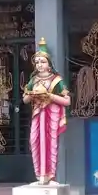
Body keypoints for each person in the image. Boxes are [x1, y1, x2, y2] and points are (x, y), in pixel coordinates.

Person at [22, 38, 71, 185]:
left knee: (50, 143)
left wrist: (50, 96)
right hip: (38, 115)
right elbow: (24, 99)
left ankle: (50, 175)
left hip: (52, 116)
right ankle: (39, 175)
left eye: (42, 62)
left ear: (49, 64)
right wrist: (31, 96)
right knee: (35, 141)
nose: (39, 65)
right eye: (37, 62)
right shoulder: (33, 80)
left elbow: (67, 101)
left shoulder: (56, 80)